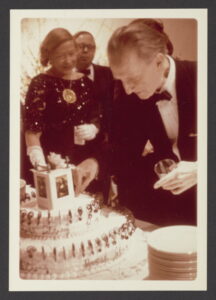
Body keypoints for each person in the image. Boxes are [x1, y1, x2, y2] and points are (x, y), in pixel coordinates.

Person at [75, 19, 197, 226]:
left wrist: (200, 169)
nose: (128, 89)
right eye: (121, 80)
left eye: (132, 78)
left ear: (159, 62)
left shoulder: (202, 77)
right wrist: (95, 164)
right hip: (171, 204)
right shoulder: (128, 93)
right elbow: (123, 147)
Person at [22, 28, 100, 192]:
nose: (68, 60)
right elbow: (32, 129)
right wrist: (40, 165)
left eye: (71, 53)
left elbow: (96, 115)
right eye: (60, 56)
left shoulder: (86, 82)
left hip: (81, 162)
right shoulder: (40, 83)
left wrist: (94, 127)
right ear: (48, 56)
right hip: (49, 160)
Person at [74, 31, 115, 201]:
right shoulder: (61, 77)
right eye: (80, 46)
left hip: (103, 147)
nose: (85, 51)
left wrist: (98, 127)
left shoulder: (109, 74)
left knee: (100, 199)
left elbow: (115, 110)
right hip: (74, 148)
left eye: (89, 47)